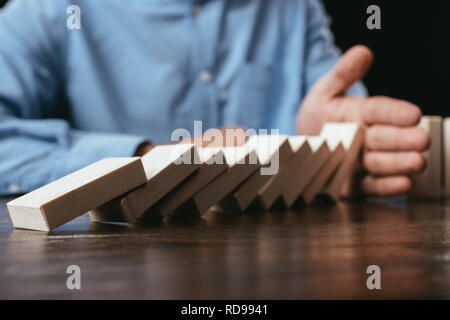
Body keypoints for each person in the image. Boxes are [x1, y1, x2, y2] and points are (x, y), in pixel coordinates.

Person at [0, 0, 429, 197]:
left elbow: (343, 119)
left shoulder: (294, 9)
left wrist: (326, 149)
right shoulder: (47, 11)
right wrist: (141, 161)